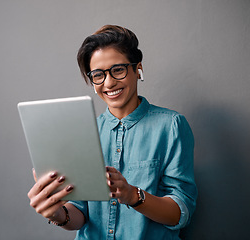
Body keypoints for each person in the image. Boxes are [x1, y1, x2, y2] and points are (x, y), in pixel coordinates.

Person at [27, 25, 197, 239]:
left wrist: (132, 195)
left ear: (137, 69)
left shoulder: (171, 126)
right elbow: (80, 213)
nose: (108, 83)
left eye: (118, 70)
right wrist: (57, 213)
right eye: (98, 75)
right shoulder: (84, 133)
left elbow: (180, 213)